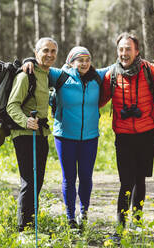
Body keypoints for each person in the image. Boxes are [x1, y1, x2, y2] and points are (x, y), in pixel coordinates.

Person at [23, 46, 109, 228]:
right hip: (65, 137)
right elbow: (41, 66)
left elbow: (118, 66)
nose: (84, 63)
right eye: (80, 60)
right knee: (69, 178)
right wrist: (28, 60)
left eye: (87, 59)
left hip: (90, 137)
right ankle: (70, 217)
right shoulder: (60, 76)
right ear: (71, 62)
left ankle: (83, 214)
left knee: (86, 177)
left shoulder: (97, 76)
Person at [99, 33, 154, 234]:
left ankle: (138, 222)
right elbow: (99, 100)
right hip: (123, 135)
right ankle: (121, 224)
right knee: (126, 181)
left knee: (140, 179)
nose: (124, 53)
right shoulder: (111, 75)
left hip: (146, 133)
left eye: (128, 49)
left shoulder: (150, 71)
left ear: (137, 51)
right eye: (121, 49)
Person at [7, 37, 57, 233]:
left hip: (41, 134)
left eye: (53, 51)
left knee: (38, 180)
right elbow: (12, 105)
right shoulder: (25, 75)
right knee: (29, 180)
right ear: (36, 53)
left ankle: (31, 223)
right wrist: (25, 121)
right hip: (24, 134)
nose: (49, 55)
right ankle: (23, 228)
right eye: (45, 50)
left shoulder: (47, 74)